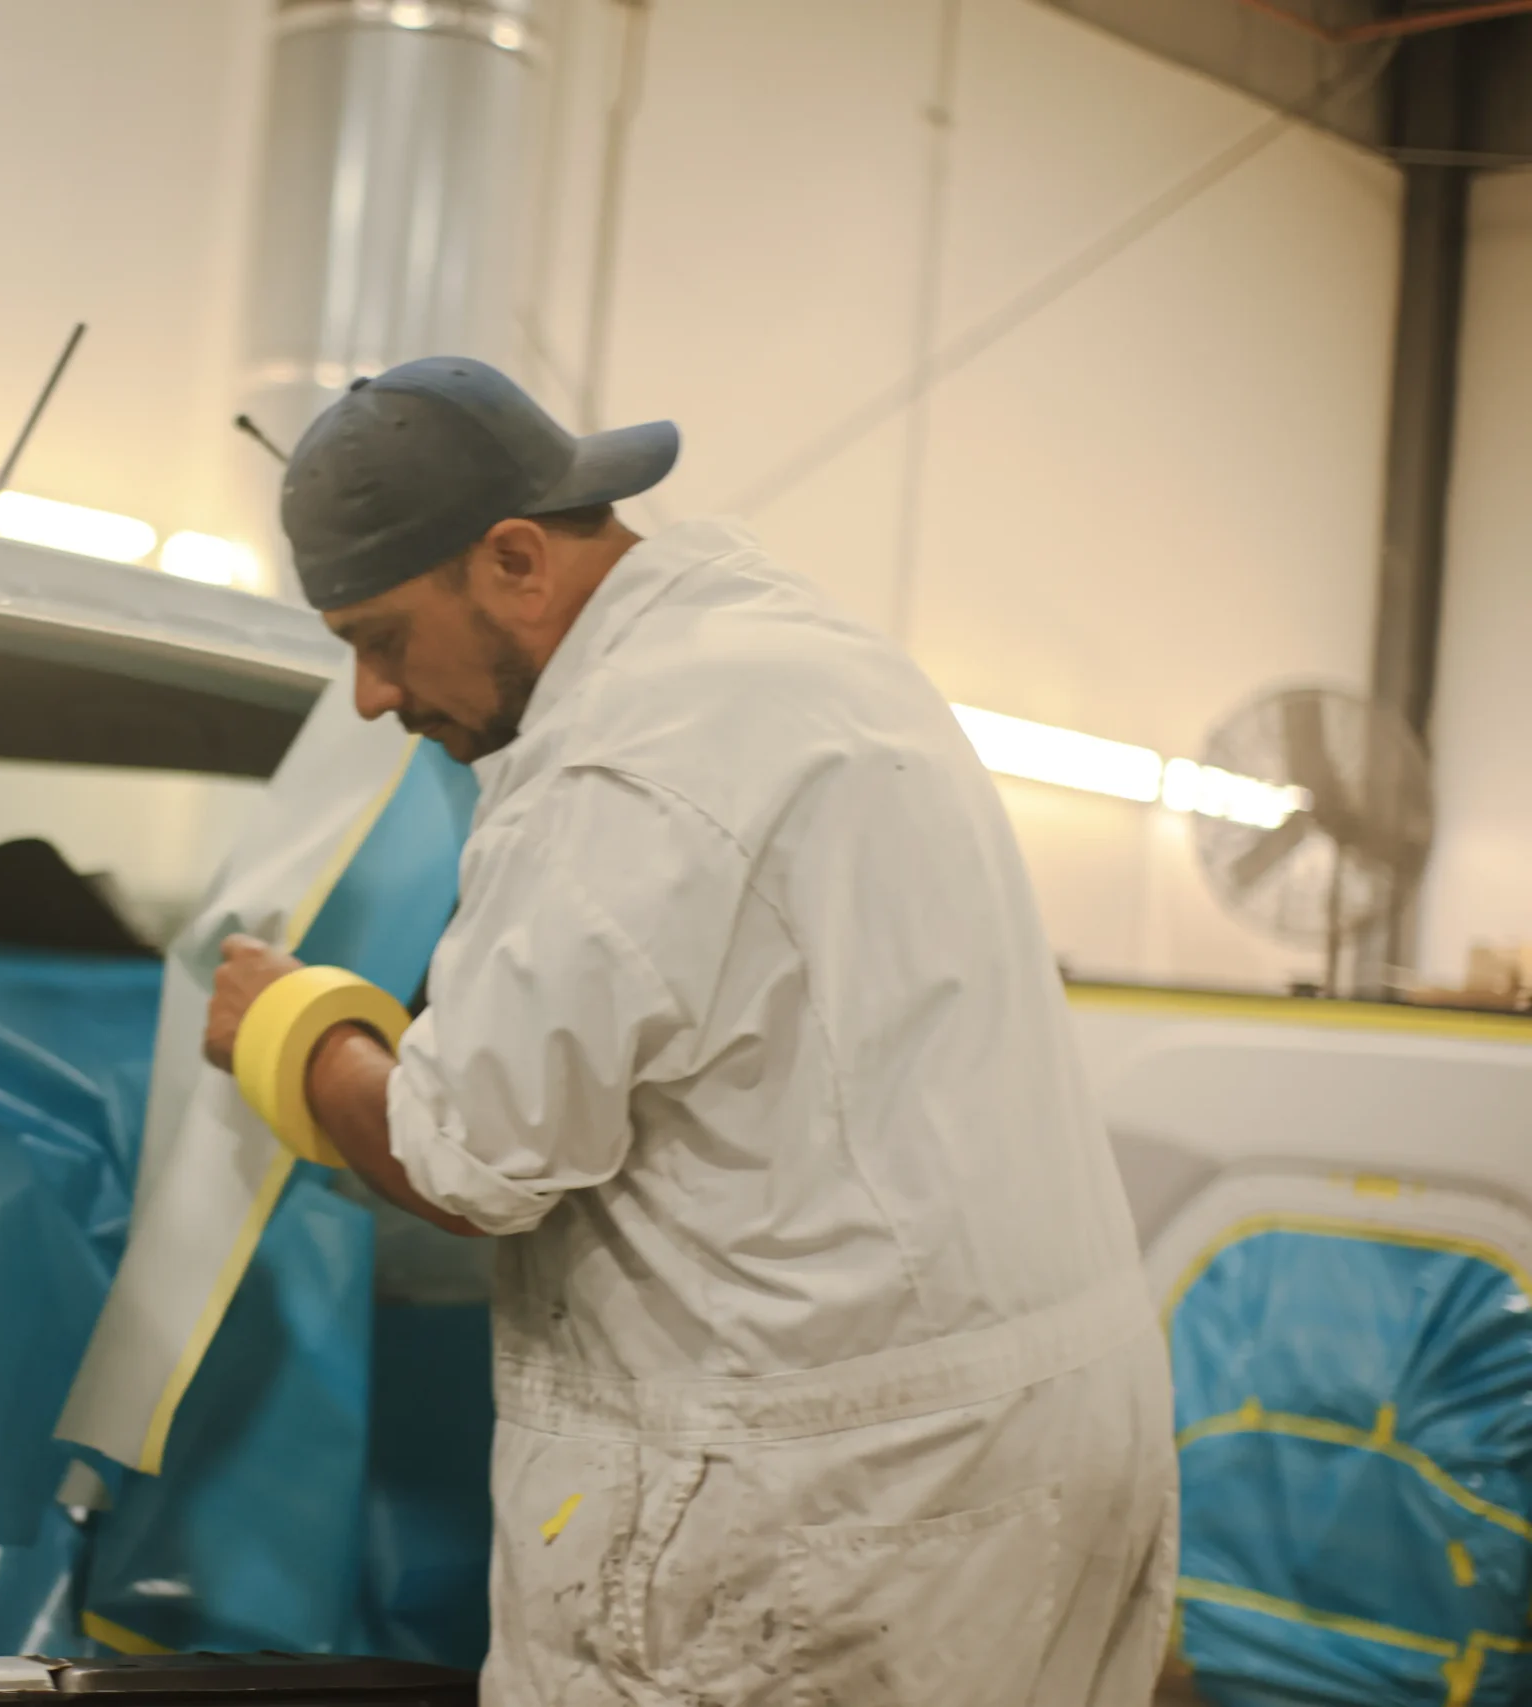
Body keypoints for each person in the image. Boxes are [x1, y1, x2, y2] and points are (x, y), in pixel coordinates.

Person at [201, 358, 1177, 1706]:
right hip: (1046, 1437)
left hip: (832, 1504)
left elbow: (471, 1158)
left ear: (516, 559)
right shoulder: (790, 648)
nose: (370, 696)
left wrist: (295, 1031)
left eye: (377, 638)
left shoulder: (614, 765)